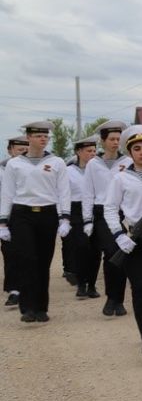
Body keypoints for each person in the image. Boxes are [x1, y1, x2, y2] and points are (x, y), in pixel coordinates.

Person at [0, 121, 71, 322]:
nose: (43, 139)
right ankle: (27, 307)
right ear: (29, 138)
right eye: (38, 136)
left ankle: (41, 308)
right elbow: (7, 193)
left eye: (45, 136)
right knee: (27, 259)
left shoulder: (57, 162)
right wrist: (3, 222)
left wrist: (64, 217)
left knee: (43, 261)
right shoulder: (15, 164)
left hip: (47, 213)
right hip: (22, 214)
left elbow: (63, 191)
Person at [106, 126, 142, 358]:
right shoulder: (120, 178)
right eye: (137, 149)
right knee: (140, 286)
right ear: (130, 152)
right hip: (132, 239)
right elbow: (110, 208)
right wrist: (119, 236)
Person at [83, 119, 130, 317]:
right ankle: (112, 298)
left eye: (118, 139)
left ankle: (118, 299)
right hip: (101, 213)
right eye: (111, 139)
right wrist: (87, 220)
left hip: (122, 213)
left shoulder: (127, 162)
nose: (115, 142)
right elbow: (88, 192)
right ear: (103, 141)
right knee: (111, 253)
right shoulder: (94, 164)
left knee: (121, 255)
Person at [66, 134, 100, 299]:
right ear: (79, 152)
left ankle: (92, 285)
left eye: (94, 150)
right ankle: (81, 283)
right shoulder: (68, 171)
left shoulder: (99, 170)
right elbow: (63, 194)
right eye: (88, 151)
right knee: (81, 247)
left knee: (95, 249)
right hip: (77, 210)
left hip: (96, 209)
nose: (92, 154)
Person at [1, 135, 29, 308]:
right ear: (10, 150)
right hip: (7, 217)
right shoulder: (2, 169)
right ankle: (14, 290)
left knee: (26, 253)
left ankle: (26, 288)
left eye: (25, 149)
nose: (23, 152)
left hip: (26, 216)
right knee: (10, 254)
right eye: (19, 149)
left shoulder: (32, 168)